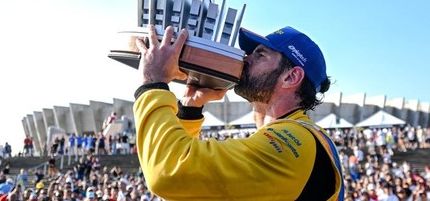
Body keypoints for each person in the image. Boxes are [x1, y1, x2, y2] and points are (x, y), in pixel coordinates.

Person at [132, 25, 344, 200]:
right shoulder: (294, 137)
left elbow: (168, 173)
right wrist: (190, 109)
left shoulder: (295, 141)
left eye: (260, 54)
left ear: (290, 77)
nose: (245, 58)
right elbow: (187, 189)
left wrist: (153, 82)